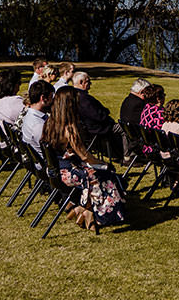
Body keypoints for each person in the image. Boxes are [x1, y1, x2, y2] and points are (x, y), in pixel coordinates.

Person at [42, 86, 128, 229]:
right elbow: (84, 155)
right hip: (71, 173)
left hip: (57, 169)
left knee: (101, 173)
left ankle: (85, 210)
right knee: (106, 174)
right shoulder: (69, 127)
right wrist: (102, 163)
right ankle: (103, 215)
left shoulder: (50, 123)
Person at [73, 71, 123, 160]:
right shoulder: (84, 99)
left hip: (87, 129)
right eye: (88, 81)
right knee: (124, 128)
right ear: (81, 82)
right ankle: (127, 156)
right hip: (95, 129)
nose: (90, 84)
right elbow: (98, 116)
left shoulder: (72, 96)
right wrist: (106, 113)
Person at [21, 80, 55, 156]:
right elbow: (51, 149)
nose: (53, 101)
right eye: (51, 97)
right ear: (43, 98)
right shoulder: (38, 124)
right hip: (49, 163)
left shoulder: (30, 115)